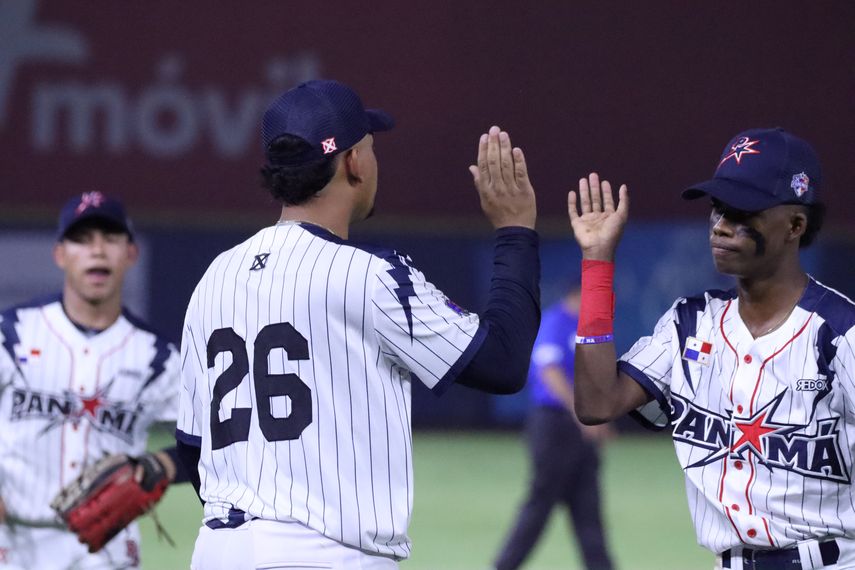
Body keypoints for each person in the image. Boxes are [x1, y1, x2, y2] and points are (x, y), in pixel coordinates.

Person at [175, 79, 541, 570]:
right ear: (352, 162)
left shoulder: (212, 279)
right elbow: (503, 362)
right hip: (324, 554)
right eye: (369, 146)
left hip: (218, 552)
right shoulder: (369, 278)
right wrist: (515, 230)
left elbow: (193, 448)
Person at [568, 128, 855, 569]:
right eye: (718, 208)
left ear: (795, 225)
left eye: (743, 212)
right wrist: (598, 261)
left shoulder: (840, 335)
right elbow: (596, 402)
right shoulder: (690, 324)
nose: (721, 225)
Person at [0, 191, 189, 569]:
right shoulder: (13, 332)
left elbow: (214, 443)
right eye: (82, 239)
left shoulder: (158, 357)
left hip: (108, 550)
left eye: (111, 238)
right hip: (15, 544)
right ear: (60, 254)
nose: (97, 251)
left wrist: (164, 465)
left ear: (130, 253)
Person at [493, 287, 614, 570]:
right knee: (540, 503)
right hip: (554, 424)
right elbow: (549, 370)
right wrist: (581, 414)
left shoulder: (587, 328)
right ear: (579, 295)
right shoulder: (556, 321)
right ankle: (503, 566)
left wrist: (600, 416)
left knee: (588, 509)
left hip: (581, 429)